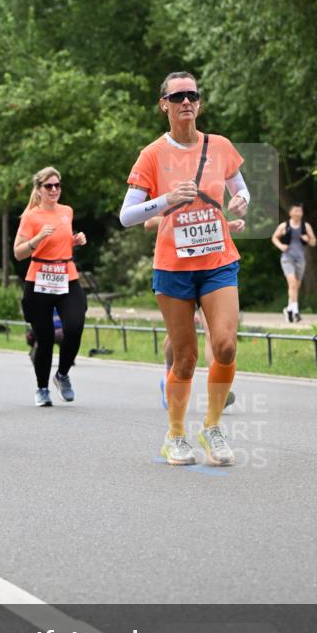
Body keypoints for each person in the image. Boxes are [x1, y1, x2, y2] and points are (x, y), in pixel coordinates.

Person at [120, 72, 250, 466]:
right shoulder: (152, 155)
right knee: (186, 358)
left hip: (218, 261)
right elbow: (127, 215)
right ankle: (175, 435)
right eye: (178, 97)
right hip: (174, 266)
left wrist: (241, 200)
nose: (186, 102)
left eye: (192, 95)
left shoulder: (221, 146)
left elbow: (239, 188)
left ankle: (212, 426)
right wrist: (166, 199)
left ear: (199, 102)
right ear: (164, 104)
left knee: (225, 345)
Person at [145, 215, 245, 410]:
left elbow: (207, 222)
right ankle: (168, 374)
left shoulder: (210, 189)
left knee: (214, 332)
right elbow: (148, 222)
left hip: (212, 267)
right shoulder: (170, 188)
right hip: (177, 268)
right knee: (178, 337)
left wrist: (226, 225)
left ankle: (217, 385)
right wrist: (182, 221)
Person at [14, 167, 87, 407]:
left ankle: (62, 374)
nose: (54, 189)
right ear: (39, 189)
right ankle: (42, 388)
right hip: (39, 280)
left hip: (67, 276)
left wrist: (76, 240)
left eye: (57, 185)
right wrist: (36, 240)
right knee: (44, 339)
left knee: (74, 327)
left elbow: (63, 241)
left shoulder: (67, 211)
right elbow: (18, 252)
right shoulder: (31, 217)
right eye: (49, 186)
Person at [271, 202, 317, 323]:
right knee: (292, 283)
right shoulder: (284, 226)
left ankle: (289, 309)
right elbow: (274, 237)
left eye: (300, 211)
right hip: (287, 258)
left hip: (300, 259)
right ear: (290, 212)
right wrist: (281, 246)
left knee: (296, 286)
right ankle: (295, 312)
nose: (298, 213)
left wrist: (309, 239)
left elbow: (314, 242)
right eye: (295, 211)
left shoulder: (305, 226)